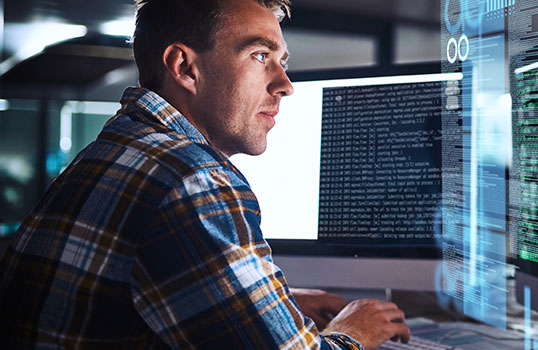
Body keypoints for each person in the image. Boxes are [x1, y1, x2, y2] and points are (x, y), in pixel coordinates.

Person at [0, 0, 411, 348]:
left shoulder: (116, 150)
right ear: (184, 67)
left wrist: (271, 305)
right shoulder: (192, 179)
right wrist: (354, 329)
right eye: (260, 56)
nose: (285, 84)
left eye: (282, 61)